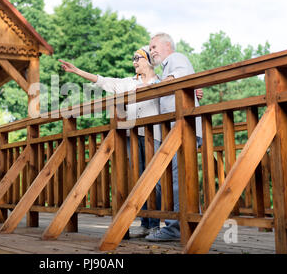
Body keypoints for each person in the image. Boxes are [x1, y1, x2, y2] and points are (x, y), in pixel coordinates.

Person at [59, 47, 162, 237]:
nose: (134, 62)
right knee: (139, 178)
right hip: (133, 135)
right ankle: (146, 223)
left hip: (154, 135)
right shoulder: (127, 83)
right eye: (133, 58)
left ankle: (155, 223)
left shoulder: (162, 82)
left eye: (137, 58)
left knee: (154, 180)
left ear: (148, 60)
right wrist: (77, 71)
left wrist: (196, 94)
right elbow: (102, 81)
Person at [144, 32, 203, 242]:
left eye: (154, 47)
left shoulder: (176, 59)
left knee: (177, 180)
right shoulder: (166, 67)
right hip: (177, 129)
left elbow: (177, 78)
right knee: (178, 179)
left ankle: (176, 227)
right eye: (150, 49)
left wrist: (156, 85)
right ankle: (188, 224)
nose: (152, 51)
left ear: (168, 45)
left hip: (183, 129)